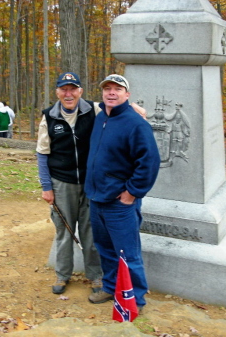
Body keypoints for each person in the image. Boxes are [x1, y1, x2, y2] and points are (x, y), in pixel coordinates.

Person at [84, 74, 161, 310]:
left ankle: (134, 300)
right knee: (105, 249)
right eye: (107, 88)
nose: (111, 92)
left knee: (128, 254)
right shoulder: (100, 117)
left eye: (117, 89)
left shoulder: (136, 124)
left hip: (120, 203)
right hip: (97, 199)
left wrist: (132, 193)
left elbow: (149, 162)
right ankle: (110, 287)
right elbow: (74, 100)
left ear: (127, 95)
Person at [36, 71, 103, 295]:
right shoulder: (49, 116)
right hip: (61, 183)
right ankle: (62, 275)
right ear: (57, 92)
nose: (68, 93)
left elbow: (119, 107)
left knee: (90, 232)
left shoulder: (94, 110)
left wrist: (137, 109)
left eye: (72, 89)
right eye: (64, 89)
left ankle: (95, 277)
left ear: (80, 91)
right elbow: (42, 154)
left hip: (89, 183)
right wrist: (46, 187)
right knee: (64, 233)